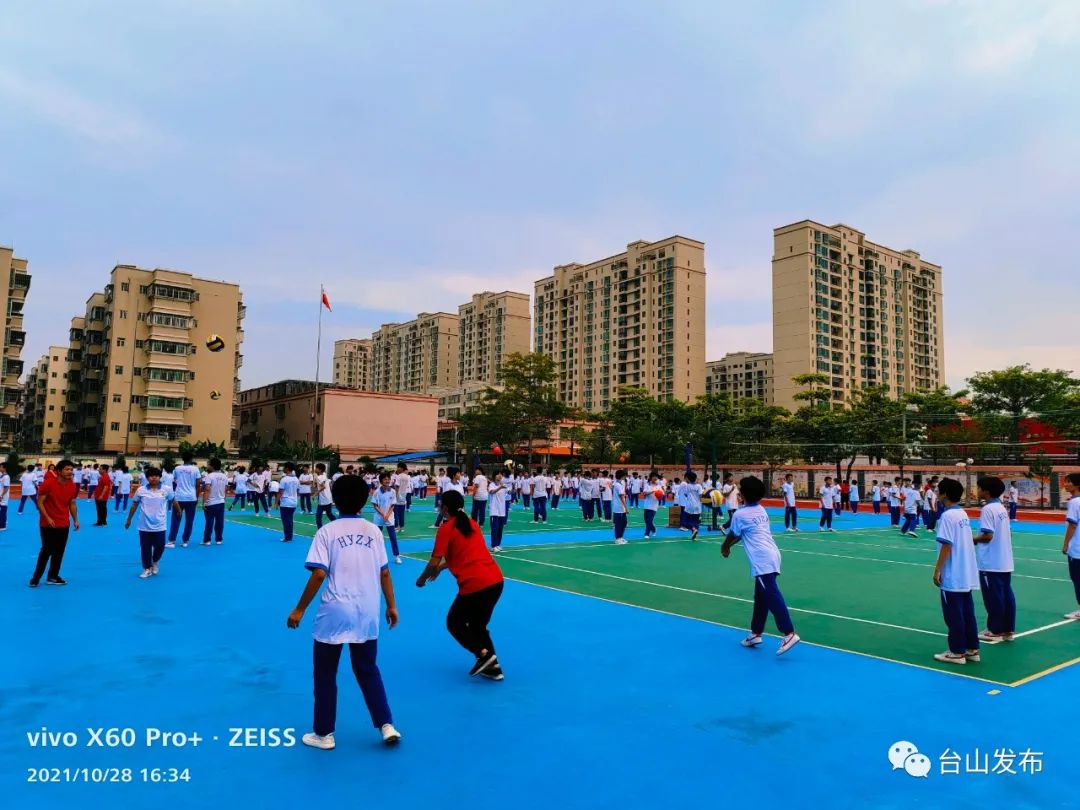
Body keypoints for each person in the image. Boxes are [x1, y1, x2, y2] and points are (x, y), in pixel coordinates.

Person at [287, 475, 402, 749]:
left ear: (334, 500)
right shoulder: (374, 531)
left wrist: (299, 609)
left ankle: (324, 734)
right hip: (367, 609)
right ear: (365, 500)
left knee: (325, 674)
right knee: (368, 670)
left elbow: (318, 574)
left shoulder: (327, 532)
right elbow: (384, 572)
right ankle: (386, 725)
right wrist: (392, 605)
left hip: (335, 612)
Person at [416, 490, 505, 680]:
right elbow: (466, 552)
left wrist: (422, 579)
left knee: (454, 622)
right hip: (495, 581)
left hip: (475, 584)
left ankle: (484, 655)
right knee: (477, 626)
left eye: (439, 504)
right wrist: (441, 568)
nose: (438, 507)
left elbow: (433, 561)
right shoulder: (471, 523)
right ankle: (493, 668)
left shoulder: (445, 528)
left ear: (445, 508)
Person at [720, 476, 800, 655]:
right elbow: (743, 534)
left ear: (742, 494)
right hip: (773, 554)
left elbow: (733, 534)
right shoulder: (761, 510)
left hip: (762, 559)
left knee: (771, 593)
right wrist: (728, 547)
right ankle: (756, 633)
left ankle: (789, 632)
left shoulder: (740, 514)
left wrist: (725, 547)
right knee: (761, 597)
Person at [932, 478, 980, 665]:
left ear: (944, 494)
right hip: (965, 572)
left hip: (953, 573)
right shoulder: (962, 514)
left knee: (953, 614)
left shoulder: (947, 516)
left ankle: (957, 651)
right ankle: (972, 648)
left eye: (938, 490)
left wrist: (938, 570)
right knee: (967, 612)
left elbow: (946, 544)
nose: (937, 492)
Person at [973, 476, 1016, 642]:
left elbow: (987, 535)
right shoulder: (1001, 508)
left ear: (986, 491)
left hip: (991, 562)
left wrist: (971, 540)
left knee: (993, 597)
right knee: (1006, 595)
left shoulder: (988, 509)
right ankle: (1007, 629)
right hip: (1004, 560)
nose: (977, 491)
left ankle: (995, 630)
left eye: (979, 488)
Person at [29, 459, 80, 587]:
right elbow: (40, 503)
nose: (70, 472)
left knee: (59, 551)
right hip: (48, 524)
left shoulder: (72, 486)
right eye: (67, 469)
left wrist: (75, 520)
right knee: (46, 550)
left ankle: (52, 576)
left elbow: (72, 504)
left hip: (64, 523)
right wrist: (47, 517)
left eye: (71, 469)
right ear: (59, 471)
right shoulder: (48, 484)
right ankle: (36, 577)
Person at [124, 466, 172, 578]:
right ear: (147, 478)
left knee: (160, 547)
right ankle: (146, 568)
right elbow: (134, 504)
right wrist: (129, 519)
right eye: (151, 476)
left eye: (156, 476)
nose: (154, 478)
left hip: (160, 525)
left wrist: (178, 511)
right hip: (144, 525)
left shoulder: (166, 489)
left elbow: (172, 500)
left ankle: (155, 561)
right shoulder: (141, 490)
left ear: (160, 477)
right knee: (145, 548)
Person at [167, 451, 201, 548]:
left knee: (176, 519)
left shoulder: (177, 469)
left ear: (182, 459)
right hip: (191, 497)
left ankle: (171, 541)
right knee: (189, 521)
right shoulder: (195, 469)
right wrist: (196, 497)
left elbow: (173, 480)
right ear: (191, 459)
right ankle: (185, 541)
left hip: (179, 497)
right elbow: (198, 485)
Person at [1060, 473, 1080, 621]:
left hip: (1077, 549)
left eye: (1068, 482)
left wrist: (1066, 544)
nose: (1065, 484)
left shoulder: (1074, 503)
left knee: (1077, 578)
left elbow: (1072, 525)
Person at [371, 472, 402, 564]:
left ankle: (397, 556)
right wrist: (382, 514)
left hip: (389, 517)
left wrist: (387, 515)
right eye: (385, 479)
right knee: (376, 538)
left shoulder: (392, 491)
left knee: (393, 537)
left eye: (388, 479)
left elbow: (392, 505)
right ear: (381, 481)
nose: (387, 481)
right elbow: (375, 505)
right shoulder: (377, 492)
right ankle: (375, 556)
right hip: (378, 518)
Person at [201, 458, 228, 546]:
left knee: (209, 522)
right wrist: (223, 498)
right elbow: (226, 489)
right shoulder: (224, 476)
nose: (207, 466)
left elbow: (207, 489)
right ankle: (219, 539)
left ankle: (207, 540)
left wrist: (204, 502)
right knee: (220, 522)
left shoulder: (209, 476)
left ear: (212, 466)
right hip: (221, 502)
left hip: (211, 502)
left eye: (208, 464)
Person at [278, 462, 300, 544]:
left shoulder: (284, 479)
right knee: (290, 519)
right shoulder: (296, 479)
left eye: (284, 467)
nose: (283, 469)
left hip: (286, 502)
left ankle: (287, 537)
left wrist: (276, 502)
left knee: (285, 520)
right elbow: (298, 490)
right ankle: (289, 536)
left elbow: (280, 492)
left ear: (287, 468)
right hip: (294, 502)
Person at [488, 471, 508, 553]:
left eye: (501, 474)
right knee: (494, 529)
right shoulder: (491, 485)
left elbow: (509, 492)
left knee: (500, 529)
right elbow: (491, 492)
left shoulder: (503, 485)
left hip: (501, 511)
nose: (500, 476)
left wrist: (511, 490)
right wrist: (500, 487)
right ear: (494, 476)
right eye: (498, 474)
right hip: (494, 511)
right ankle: (493, 546)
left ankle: (498, 544)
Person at [682, 470, 703, 541]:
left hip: (689, 506)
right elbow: (700, 496)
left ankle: (693, 529)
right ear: (696, 478)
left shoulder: (687, 486)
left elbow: (685, 494)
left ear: (688, 478)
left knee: (685, 521)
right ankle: (694, 532)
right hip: (697, 506)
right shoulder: (699, 486)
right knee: (696, 521)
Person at [314, 463, 336, 528]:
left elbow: (323, 487)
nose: (315, 469)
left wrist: (315, 493)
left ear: (320, 470)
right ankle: (337, 525)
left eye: (316, 468)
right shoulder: (324, 474)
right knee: (329, 514)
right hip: (328, 498)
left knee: (318, 516)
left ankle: (320, 531)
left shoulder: (319, 477)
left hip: (323, 499)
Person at [611, 469, 630, 544]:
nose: (626, 476)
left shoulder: (618, 483)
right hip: (619, 507)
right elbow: (621, 497)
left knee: (624, 523)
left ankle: (620, 537)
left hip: (620, 507)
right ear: (622, 476)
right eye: (625, 475)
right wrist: (626, 508)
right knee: (619, 523)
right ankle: (618, 538)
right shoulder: (618, 485)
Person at [642, 472, 661, 539]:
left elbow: (661, 495)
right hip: (647, 505)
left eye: (656, 477)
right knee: (646, 520)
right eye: (654, 476)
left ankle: (646, 534)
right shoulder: (647, 485)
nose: (655, 478)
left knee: (649, 520)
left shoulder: (658, 486)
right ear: (651, 477)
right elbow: (644, 494)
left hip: (654, 505)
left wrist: (659, 495)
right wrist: (651, 492)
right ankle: (654, 529)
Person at [393, 462, 411, 532]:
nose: (397, 469)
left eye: (398, 467)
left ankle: (396, 527)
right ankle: (402, 527)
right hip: (404, 495)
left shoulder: (399, 476)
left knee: (395, 513)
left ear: (401, 468)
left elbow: (397, 487)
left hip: (398, 495)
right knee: (402, 513)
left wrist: (396, 495)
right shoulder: (407, 476)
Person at [0, 462, 9, 531]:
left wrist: (1, 496)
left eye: (1, 467)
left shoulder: (6, 477)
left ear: (5, 468)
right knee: (2, 511)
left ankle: (3, 526)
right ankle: (4, 521)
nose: (0, 468)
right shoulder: (2, 475)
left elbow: (6, 488)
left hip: (3, 496)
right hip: (1, 495)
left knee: (3, 510)